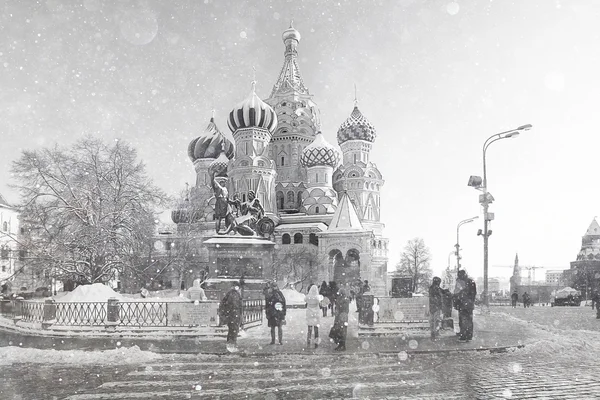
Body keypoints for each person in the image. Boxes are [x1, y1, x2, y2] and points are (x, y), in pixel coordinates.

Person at [219, 281, 243, 352]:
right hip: (234, 315)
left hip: (232, 315)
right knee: (234, 330)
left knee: (232, 330)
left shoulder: (231, 294)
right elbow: (235, 305)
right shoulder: (234, 294)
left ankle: (230, 344)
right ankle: (232, 345)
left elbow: (224, 304)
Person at [454, 269, 477, 343]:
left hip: (463, 304)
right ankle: (469, 335)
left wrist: (457, 302)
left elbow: (457, 293)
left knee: (463, 320)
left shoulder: (461, 282)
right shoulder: (470, 282)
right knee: (469, 320)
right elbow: (473, 294)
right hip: (468, 304)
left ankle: (463, 335)